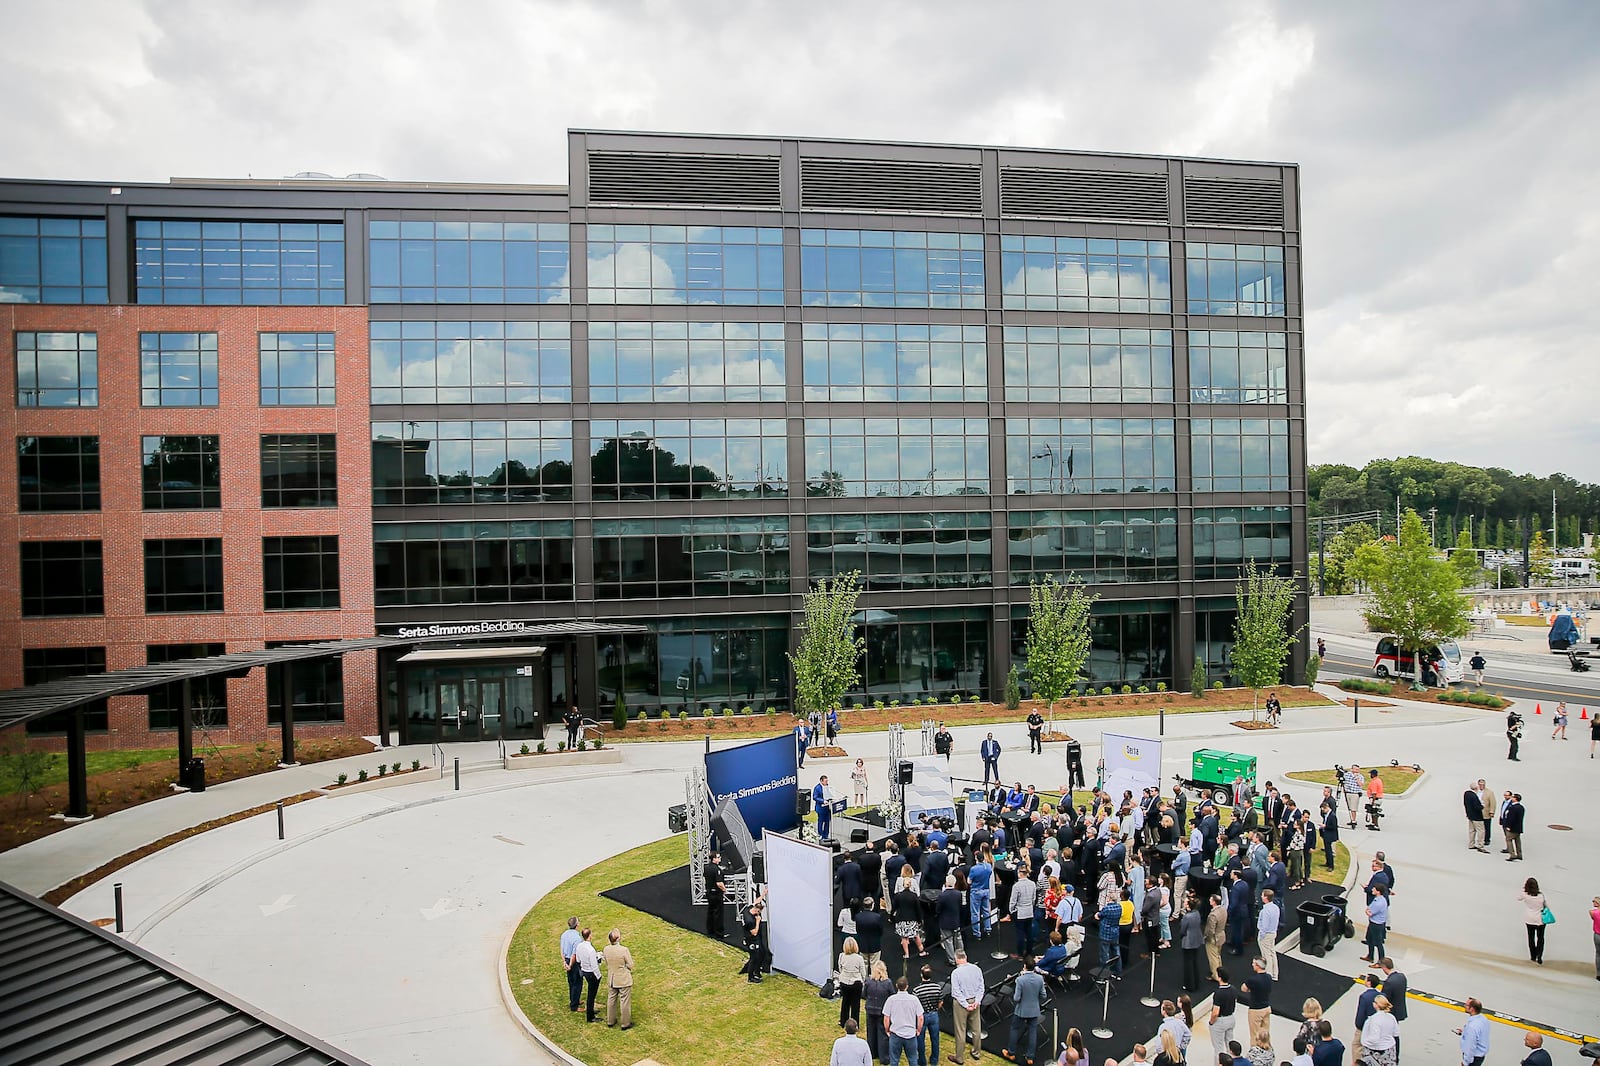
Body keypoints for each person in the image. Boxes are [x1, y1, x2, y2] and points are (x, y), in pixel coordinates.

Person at [1004, 956, 1047, 1065]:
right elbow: (1043, 995)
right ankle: (1030, 1057)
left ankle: (1011, 1053)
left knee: (1014, 1028)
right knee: (1032, 1032)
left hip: (1021, 1010)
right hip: (1034, 1010)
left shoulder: (1020, 980)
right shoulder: (1039, 979)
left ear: (1024, 966)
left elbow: (1016, 998)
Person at [949, 949, 985, 1065]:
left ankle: (959, 1058)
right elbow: (981, 987)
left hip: (962, 1003)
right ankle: (976, 1053)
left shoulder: (956, 973)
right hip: (974, 1000)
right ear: (966, 957)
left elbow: (956, 992)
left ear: (956, 959)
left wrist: (965, 1004)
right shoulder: (976, 969)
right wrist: (977, 1001)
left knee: (960, 1030)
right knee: (976, 1029)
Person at [882, 977, 925, 1066]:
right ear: (907, 987)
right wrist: (918, 1030)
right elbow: (920, 1017)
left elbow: (886, 1018)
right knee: (913, 1060)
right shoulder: (914, 1000)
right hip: (910, 1035)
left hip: (895, 1034)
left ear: (896, 986)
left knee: (894, 1061)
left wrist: (887, 1030)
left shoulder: (891, 999)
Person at [863, 961, 895, 1065]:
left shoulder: (868, 981)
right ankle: (884, 1058)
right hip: (882, 1011)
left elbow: (864, 994)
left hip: (870, 1010)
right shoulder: (888, 983)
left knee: (871, 1032)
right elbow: (892, 995)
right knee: (883, 1034)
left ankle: (872, 1053)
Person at [601, 928, 634, 1029]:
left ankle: (610, 1020)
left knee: (611, 999)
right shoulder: (623, 950)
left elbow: (607, 962)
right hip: (623, 979)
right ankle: (625, 1023)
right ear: (618, 938)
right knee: (624, 1001)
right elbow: (631, 965)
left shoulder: (606, 949)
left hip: (612, 978)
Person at [912, 962, 944, 1066]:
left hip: (922, 1016)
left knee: (920, 1039)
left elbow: (914, 1005)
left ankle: (922, 1061)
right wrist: (935, 1009)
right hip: (934, 1015)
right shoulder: (937, 987)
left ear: (921, 975)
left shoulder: (917, 990)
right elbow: (941, 1002)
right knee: (935, 1039)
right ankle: (934, 1060)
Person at [1377, 957, 1408, 1059]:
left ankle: (1391, 1055)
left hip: (1391, 1012)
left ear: (1384, 967)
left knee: (1389, 1035)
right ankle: (1396, 1055)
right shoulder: (1402, 977)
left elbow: (1384, 999)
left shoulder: (1389, 982)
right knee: (1395, 1034)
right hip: (1399, 1010)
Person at [892, 871, 926, 961]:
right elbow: (918, 909)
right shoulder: (914, 896)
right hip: (912, 919)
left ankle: (907, 954)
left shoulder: (898, 896)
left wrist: (892, 917)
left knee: (904, 937)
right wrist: (920, 919)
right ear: (910, 885)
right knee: (916, 935)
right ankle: (922, 951)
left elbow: (894, 908)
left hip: (901, 918)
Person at [1359, 995, 1399, 1066]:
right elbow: (1396, 1033)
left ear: (1377, 1005)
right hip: (1389, 1049)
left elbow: (1374, 1038)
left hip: (1375, 1051)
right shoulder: (1391, 1017)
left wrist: (1364, 1041)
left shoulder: (1374, 1019)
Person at [573, 926, 602, 1022]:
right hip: (591, 973)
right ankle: (590, 1017)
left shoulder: (579, 946)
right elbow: (594, 966)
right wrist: (598, 976)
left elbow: (578, 960)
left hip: (584, 971)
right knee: (591, 995)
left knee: (591, 993)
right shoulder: (591, 950)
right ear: (589, 936)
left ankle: (591, 1010)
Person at [1242, 957, 1272, 1048]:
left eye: (1254, 963)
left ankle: (1255, 1054)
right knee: (1265, 1034)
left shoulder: (1253, 980)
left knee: (1255, 1035)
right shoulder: (1269, 977)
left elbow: (1243, 988)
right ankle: (1266, 1050)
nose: (1252, 965)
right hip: (1266, 1008)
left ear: (1258, 966)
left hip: (1255, 1010)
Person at [838, 936, 868, 1028]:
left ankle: (843, 1021)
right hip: (856, 983)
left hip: (844, 982)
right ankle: (855, 1024)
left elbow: (840, 968)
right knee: (855, 1005)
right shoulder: (859, 958)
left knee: (845, 1002)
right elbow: (863, 972)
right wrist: (863, 980)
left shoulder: (842, 956)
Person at [1010, 861, 1038, 958]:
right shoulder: (1033, 884)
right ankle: (1029, 952)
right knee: (1029, 932)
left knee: (1020, 934)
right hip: (1029, 911)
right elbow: (1034, 899)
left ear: (1020, 873)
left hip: (1020, 912)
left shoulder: (1016, 886)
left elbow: (1013, 901)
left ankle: (1020, 954)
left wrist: (1012, 910)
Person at [1517, 877, 1548, 964]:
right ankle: (1539, 956)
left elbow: (1518, 898)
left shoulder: (1525, 895)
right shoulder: (1541, 895)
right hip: (1540, 920)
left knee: (1531, 938)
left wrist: (1524, 890)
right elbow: (1545, 905)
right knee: (1540, 938)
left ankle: (1533, 956)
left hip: (1529, 919)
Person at [742, 892, 771, 982]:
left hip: (755, 939)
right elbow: (754, 932)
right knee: (753, 958)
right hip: (751, 939)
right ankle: (751, 977)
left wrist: (763, 894)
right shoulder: (749, 920)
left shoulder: (748, 909)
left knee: (761, 954)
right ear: (757, 911)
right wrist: (758, 921)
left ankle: (757, 971)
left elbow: (756, 901)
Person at [1209, 965, 1237, 1058]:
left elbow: (1216, 1012)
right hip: (1231, 1018)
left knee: (1219, 1048)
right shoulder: (1233, 989)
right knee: (1230, 1045)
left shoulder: (1218, 993)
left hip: (1220, 1021)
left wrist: (1211, 1022)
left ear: (1219, 977)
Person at [938, 874, 964, 964]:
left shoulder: (942, 896)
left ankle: (952, 960)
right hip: (956, 921)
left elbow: (938, 909)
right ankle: (961, 957)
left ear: (946, 883)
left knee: (948, 942)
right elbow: (960, 907)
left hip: (945, 922)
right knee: (958, 939)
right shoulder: (958, 894)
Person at [1178, 898, 1204, 990]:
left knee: (1188, 964)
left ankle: (1189, 985)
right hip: (1196, 939)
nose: (1184, 903)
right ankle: (1196, 982)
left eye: (1185, 902)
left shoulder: (1187, 917)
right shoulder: (1197, 913)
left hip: (1188, 941)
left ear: (1188, 906)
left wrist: (1181, 935)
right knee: (1194, 962)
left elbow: (1182, 930)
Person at [559, 916, 584, 1012]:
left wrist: (564, 962)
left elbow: (561, 949)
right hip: (573, 961)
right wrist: (570, 965)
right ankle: (574, 1005)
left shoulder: (564, 934)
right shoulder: (577, 938)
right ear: (577, 925)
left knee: (571, 982)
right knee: (577, 982)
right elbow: (574, 954)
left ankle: (574, 1000)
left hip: (566, 959)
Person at [1455, 997, 1489, 1066]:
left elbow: (1470, 1047)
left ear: (1472, 1009)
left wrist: (1465, 1062)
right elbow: (1479, 1033)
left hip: (1473, 1059)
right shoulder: (1483, 1019)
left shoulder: (1472, 1027)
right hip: (1480, 1056)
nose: (1464, 1006)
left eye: (1467, 1005)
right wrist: (1465, 1032)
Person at [969, 847, 994, 939]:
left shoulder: (973, 869)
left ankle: (977, 933)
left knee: (975, 913)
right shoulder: (988, 866)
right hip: (986, 890)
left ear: (976, 858)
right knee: (986, 911)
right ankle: (988, 929)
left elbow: (969, 881)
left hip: (976, 892)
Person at [1257, 888, 1280, 979]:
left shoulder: (1265, 911)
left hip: (1266, 935)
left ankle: (1269, 974)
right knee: (1272, 953)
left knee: (1266, 955)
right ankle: (1275, 973)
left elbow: (1264, 927)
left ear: (1265, 897)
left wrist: (1261, 936)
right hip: (1273, 932)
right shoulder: (1275, 907)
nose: (1261, 896)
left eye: (1262, 895)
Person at [1363, 883, 1389, 963]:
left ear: (1378, 891)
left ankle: (1381, 961)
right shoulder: (1378, 899)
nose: (1372, 890)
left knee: (1378, 943)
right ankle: (1370, 956)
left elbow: (1370, 912)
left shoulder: (1379, 903)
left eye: (1374, 889)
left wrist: (1367, 911)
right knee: (1369, 939)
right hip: (1373, 922)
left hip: (1376, 924)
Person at [705, 851, 727, 937]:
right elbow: (719, 883)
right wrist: (725, 890)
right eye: (718, 857)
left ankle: (710, 930)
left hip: (709, 892)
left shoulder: (707, 868)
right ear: (714, 859)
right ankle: (719, 932)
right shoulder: (717, 870)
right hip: (716, 893)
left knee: (711, 911)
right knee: (718, 913)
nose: (720, 858)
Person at [1204, 893, 1226, 980]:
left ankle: (1216, 976)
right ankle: (1220, 971)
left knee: (1213, 958)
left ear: (1213, 902)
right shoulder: (1223, 909)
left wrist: (1207, 938)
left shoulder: (1213, 915)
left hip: (1214, 939)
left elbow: (1210, 930)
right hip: (1221, 936)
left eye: (1210, 900)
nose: (1209, 900)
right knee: (1218, 955)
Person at [1462, 782, 1486, 852]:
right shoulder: (1474, 796)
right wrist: (1482, 806)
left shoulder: (1466, 794)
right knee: (1481, 831)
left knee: (1471, 831)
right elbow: (1477, 807)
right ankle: (1480, 845)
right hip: (1477, 817)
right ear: (1476, 788)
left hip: (1470, 815)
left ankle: (1471, 844)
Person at [1504, 792, 1526, 862]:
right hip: (1518, 828)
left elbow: (1511, 818)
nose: (1511, 798)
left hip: (1512, 828)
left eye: (1513, 797)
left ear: (1515, 799)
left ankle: (1512, 854)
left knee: (1508, 840)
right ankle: (1519, 854)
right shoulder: (1521, 807)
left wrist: (1508, 826)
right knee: (1517, 841)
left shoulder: (1513, 808)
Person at [815, 775, 835, 840]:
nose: (827, 782)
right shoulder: (817, 788)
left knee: (827, 822)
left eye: (827, 781)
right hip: (821, 808)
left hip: (827, 808)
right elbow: (815, 797)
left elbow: (830, 794)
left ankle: (826, 835)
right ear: (821, 781)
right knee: (821, 822)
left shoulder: (827, 787)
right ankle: (820, 834)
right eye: (825, 781)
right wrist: (823, 801)